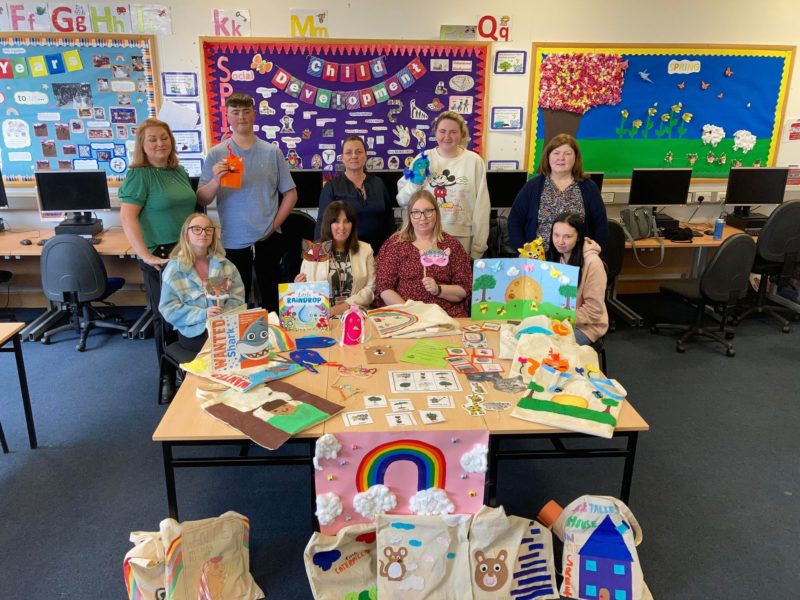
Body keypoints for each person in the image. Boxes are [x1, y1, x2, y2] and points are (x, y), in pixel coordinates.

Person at [196, 92, 297, 311]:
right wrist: (216, 180)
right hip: (232, 240)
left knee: (272, 298)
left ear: (254, 114)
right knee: (233, 302)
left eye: (246, 111)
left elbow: (291, 194)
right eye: (235, 112)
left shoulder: (272, 152)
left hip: (268, 238)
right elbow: (202, 198)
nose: (241, 117)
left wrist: (273, 226)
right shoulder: (216, 153)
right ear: (227, 116)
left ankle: (273, 331)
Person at [119, 118, 196, 399]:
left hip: (187, 252)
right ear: (142, 144)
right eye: (152, 139)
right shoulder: (139, 175)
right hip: (160, 256)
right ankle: (167, 377)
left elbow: (194, 202)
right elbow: (127, 217)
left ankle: (189, 370)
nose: (160, 143)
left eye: (164, 138)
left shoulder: (178, 171)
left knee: (190, 313)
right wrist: (144, 255)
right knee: (166, 317)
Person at [396, 111, 490, 259]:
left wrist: (478, 247)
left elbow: (482, 208)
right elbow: (402, 201)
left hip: (461, 237)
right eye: (442, 131)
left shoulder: (474, 161)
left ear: (461, 134)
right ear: (435, 133)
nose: (447, 137)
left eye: (453, 132)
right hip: (424, 237)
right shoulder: (423, 158)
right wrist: (416, 182)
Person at [376, 190, 472, 318]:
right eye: (416, 212)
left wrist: (439, 290)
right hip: (406, 315)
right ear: (409, 215)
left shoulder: (452, 245)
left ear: (436, 213)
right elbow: (384, 288)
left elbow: (463, 290)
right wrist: (411, 314)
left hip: (445, 315)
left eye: (428, 211)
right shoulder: (394, 245)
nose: (422, 218)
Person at [159, 213, 246, 354]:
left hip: (225, 325)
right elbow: (168, 309)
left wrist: (223, 313)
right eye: (196, 229)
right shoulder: (175, 269)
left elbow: (238, 299)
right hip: (194, 331)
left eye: (208, 229)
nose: (203, 233)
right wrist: (203, 314)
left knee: (253, 342)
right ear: (186, 234)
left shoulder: (226, 265)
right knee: (228, 349)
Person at [508, 133, 607, 253]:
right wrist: (524, 252)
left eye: (567, 153)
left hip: (577, 258)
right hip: (538, 258)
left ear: (575, 158)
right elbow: (515, 221)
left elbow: (601, 224)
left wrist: (593, 252)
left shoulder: (588, 187)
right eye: (556, 153)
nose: (561, 158)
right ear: (548, 156)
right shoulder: (532, 187)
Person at [315, 136, 395, 254]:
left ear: (366, 156)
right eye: (348, 152)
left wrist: (390, 251)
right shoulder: (331, 187)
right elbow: (322, 223)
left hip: (379, 253)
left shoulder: (378, 183)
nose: (354, 156)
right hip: (345, 254)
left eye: (359, 152)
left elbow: (389, 219)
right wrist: (320, 253)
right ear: (342, 158)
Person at [296, 201, 376, 315]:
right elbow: (306, 290)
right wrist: (298, 286)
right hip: (322, 316)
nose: (342, 227)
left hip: (356, 314)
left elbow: (371, 288)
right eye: (336, 221)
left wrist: (344, 306)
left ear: (352, 224)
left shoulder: (366, 250)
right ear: (328, 224)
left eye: (346, 221)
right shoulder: (313, 251)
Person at [546, 212, 608, 346]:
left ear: (579, 237)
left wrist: (558, 316)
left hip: (587, 327)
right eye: (556, 235)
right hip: (560, 318)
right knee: (526, 333)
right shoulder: (557, 256)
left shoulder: (593, 263)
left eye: (567, 236)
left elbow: (593, 311)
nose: (560, 242)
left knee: (548, 343)